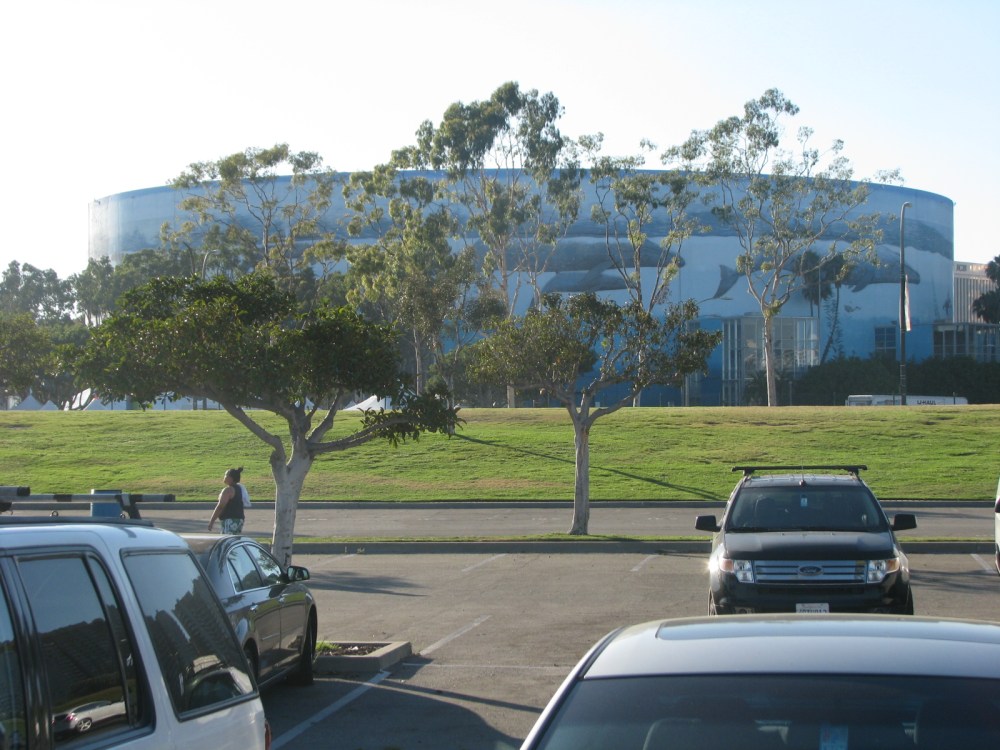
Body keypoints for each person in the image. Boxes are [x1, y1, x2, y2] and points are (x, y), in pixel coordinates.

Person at [208, 467, 246, 534]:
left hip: (230, 520)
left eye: (226, 475)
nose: (224, 477)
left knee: (227, 541)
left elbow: (220, 506)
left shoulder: (228, 490)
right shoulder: (239, 488)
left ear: (231, 478)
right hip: (239, 519)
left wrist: (211, 521)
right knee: (234, 540)